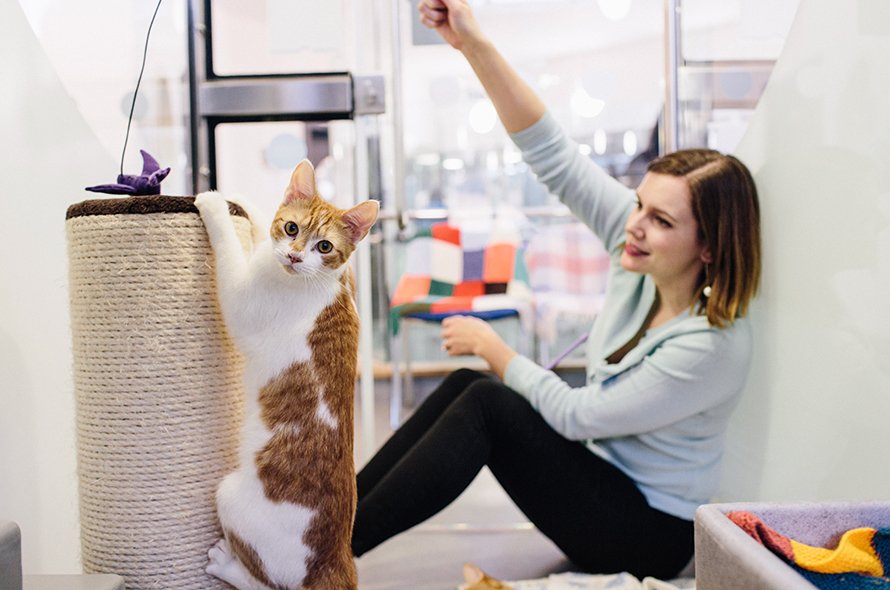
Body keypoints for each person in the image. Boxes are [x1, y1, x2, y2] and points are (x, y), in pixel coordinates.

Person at [352, 0, 761, 579]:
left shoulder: (713, 345)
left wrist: (498, 349)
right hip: (604, 488)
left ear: (711, 248)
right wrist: (472, 43)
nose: (636, 224)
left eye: (662, 221)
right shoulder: (636, 253)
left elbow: (576, 415)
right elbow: (554, 156)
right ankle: (325, 524)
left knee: (489, 401)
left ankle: (327, 554)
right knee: (470, 385)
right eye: (639, 204)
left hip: (649, 534)